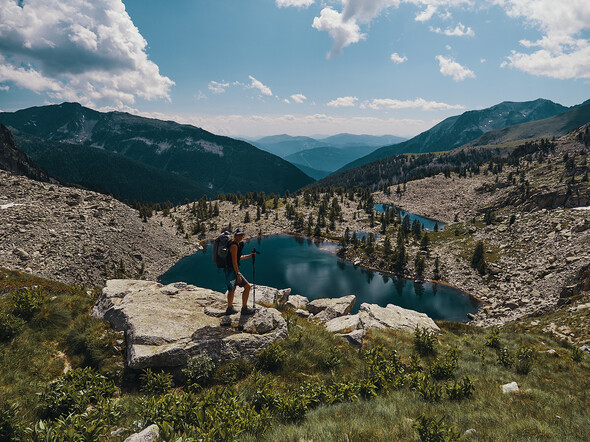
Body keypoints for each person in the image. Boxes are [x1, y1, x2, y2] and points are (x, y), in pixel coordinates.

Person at [224, 227, 256, 315]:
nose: (241, 236)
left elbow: (238, 258)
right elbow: (234, 262)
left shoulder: (235, 244)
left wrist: (250, 255)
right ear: (235, 235)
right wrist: (238, 274)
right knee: (247, 287)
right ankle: (244, 309)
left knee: (232, 289)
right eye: (239, 235)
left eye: (242, 235)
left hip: (230, 270)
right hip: (232, 271)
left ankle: (229, 309)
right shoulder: (234, 246)